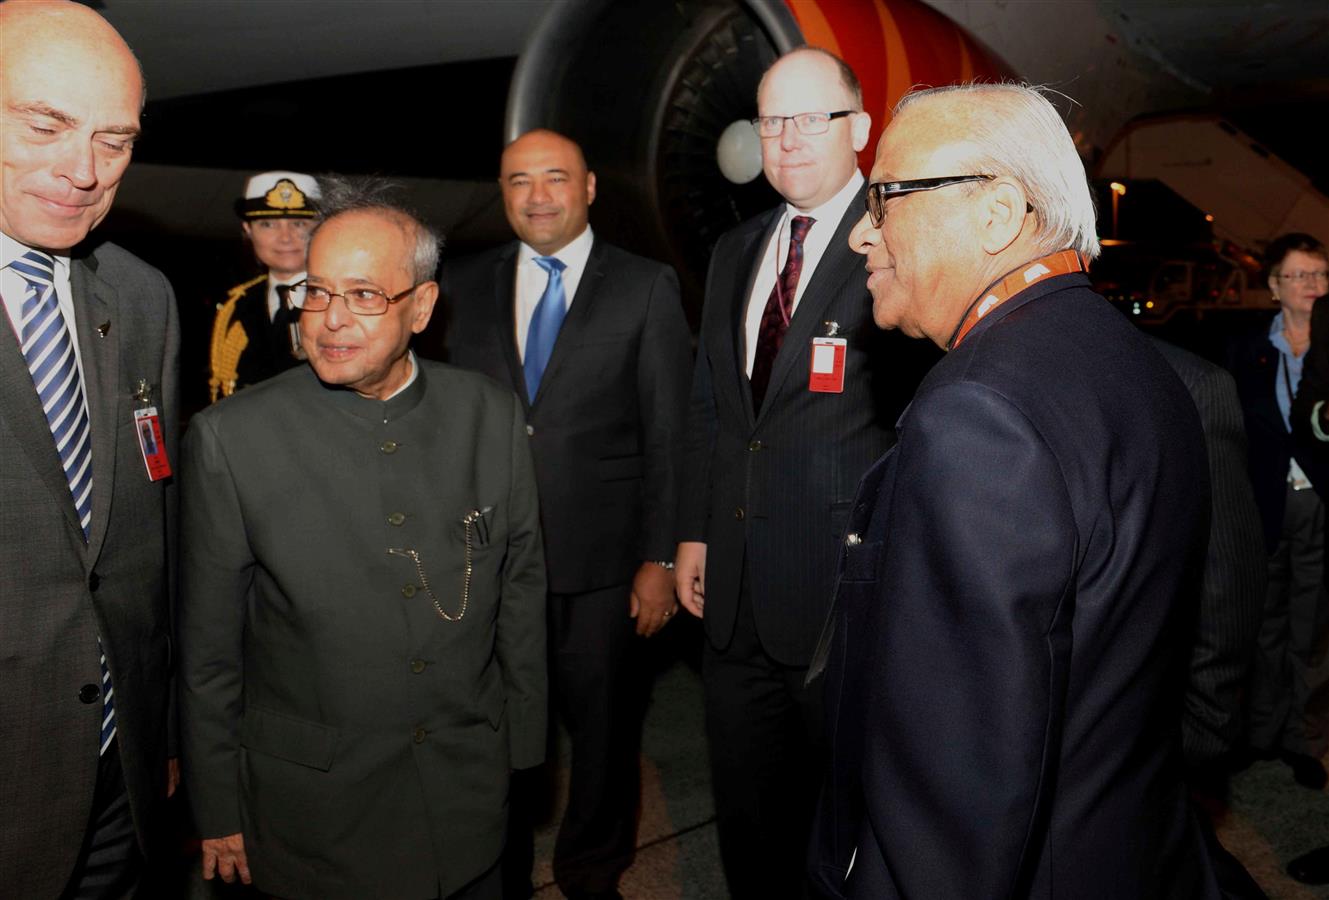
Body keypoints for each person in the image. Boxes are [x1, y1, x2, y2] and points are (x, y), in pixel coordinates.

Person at [809, 83, 1223, 898]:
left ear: (998, 213)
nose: (861, 232)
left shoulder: (976, 410)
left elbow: (954, 791)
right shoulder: (1133, 362)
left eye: (884, 197)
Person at [178, 179, 547, 899]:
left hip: (464, 792)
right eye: (318, 292)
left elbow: (520, 589)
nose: (330, 321)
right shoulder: (232, 439)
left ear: (422, 307)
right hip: (315, 812)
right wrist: (218, 806)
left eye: (364, 295)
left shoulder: (487, 414)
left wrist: (521, 751)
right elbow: (208, 649)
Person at [673, 47, 932, 899]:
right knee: (749, 822)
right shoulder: (734, 251)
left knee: (848, 825)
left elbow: (923, 425)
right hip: (734, 597)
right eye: (768, 121)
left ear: (858, 129)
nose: (783, 140)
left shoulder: (897, 246)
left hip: (841, 595)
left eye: (806, 119)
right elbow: (713, 407)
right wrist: (692, 532)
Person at [432, 129, 691, 900]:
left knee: (605, 732)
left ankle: (591, 870)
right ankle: (496, 871)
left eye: (554, 178)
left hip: (608, 566)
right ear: (502, 192)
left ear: (588, 189)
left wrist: (663, 559)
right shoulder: (461, 285)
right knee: (495, 733)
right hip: (487, 560)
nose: (537, 195)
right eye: (518, 180)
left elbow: (669, 430)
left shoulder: (644, 286)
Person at [0, 2, 179, 896]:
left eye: (115, 140)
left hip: (120, 780)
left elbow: (142, 546)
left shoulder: (141, 298)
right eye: (44, 126)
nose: (82, 171)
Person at [1238, 234, 1329, 788]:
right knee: (1262, 623)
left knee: (1312, 628)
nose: (1314, 286)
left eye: (1321, 275)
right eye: (1300, 276)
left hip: (1320, 503)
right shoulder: (1245, 348)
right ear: (1274, 286)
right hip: (1264, 502)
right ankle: (1261, 732)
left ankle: (1305, 739)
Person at [208, 170, 320, 402]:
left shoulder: (344, 300)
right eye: (268, 224)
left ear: (319, 227)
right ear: (248, 230)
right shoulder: (236, 305)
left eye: (299, 223)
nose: (285, 237)